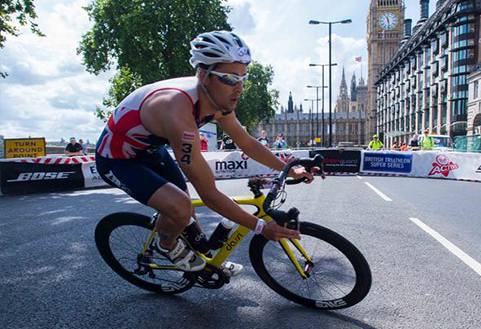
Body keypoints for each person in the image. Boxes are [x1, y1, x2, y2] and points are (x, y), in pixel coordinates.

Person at [94, 31, 316, 276]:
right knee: (179, 207)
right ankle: (165, 244)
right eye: (230, 79)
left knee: (188, 211)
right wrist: (261, 227)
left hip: (150, 150)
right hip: (117, 159)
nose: (239, 88)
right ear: (203, 75)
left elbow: (246, 142)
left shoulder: (218, 101)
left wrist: (288, 167)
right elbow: (209, 194)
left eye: (243, 78)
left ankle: (207, 260)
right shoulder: (177, 111)